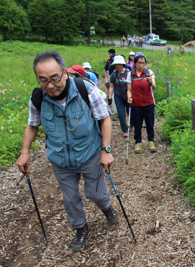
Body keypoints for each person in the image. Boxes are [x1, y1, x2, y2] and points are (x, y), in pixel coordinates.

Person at [16, 50, 117, 252]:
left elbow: (105, 118)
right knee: (69, 197)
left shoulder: (85, 90)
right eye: (43, 80)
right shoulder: (38, 99)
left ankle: (106, 207)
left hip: (89, 154)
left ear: (64, 72)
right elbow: (32, 124)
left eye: (54, 78)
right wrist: (24, 151)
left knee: (96, 194)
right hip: (60, 159)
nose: (50, 85)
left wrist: (106, 150)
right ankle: (81, 227)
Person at [127, 52, 157, 154]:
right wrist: (129, 97)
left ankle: (151, 141)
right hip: (136, 104)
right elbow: (129, 90)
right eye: (139, 63)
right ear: (135, 63)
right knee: (137, 124)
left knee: (150, 123)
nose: (141, 65)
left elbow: (154, 87)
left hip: (149, 103)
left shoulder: (149, 72)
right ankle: (138, 142)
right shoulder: (130, 75)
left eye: (143, 63)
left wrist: (150, 81)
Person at [108, 55, 133, 137]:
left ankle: (132, 124)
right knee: (121, 114)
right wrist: (110, 99)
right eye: (116, 64)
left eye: (119, 64)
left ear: (123, 64)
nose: (118, 66)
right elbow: (111, 87)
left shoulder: (129, 73)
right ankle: (125, 129)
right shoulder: (113, 75)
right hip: (118, 96)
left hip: (128, 95)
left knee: (130, 112)